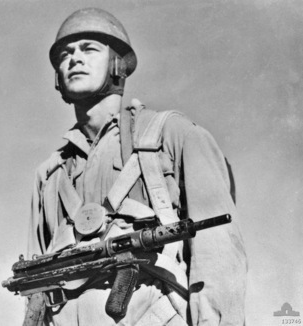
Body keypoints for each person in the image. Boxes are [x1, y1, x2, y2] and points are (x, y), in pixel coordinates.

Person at [26, 7, 247, 326]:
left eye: (89, 48)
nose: (74, 58)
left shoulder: (173, 135)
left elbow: (220, 260)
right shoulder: (50, 176)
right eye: (65, 53)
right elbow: (37, 284)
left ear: (117, 64)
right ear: (57, 78)